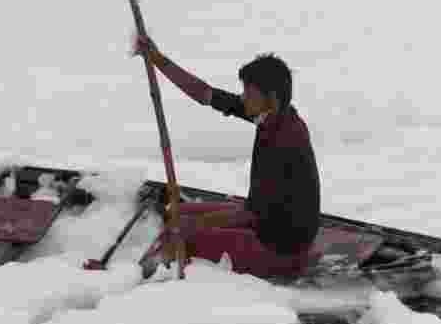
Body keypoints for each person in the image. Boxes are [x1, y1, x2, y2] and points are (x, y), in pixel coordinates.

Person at [134, 34, 322, 278]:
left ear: (272, 99)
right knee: (178, 214)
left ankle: (140, 278)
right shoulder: (272, 116)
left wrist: (195, 226)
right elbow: (207, 95)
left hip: (280, 250)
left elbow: (252, 214)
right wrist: (158, 60)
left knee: (184, 233)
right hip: (264, 221)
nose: (243, 98)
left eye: (249, 94)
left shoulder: (285, 142)